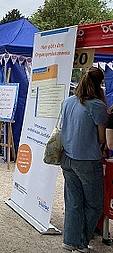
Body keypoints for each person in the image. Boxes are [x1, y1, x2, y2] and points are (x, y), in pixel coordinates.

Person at [60, 67, 106, 253]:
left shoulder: (68, 101)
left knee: (73, 201)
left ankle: (69, 240)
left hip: (67, 157)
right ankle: (80, 242)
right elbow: (102, 139)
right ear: (99, 84)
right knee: (95, 204)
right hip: (87, 160)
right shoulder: (97, 105)